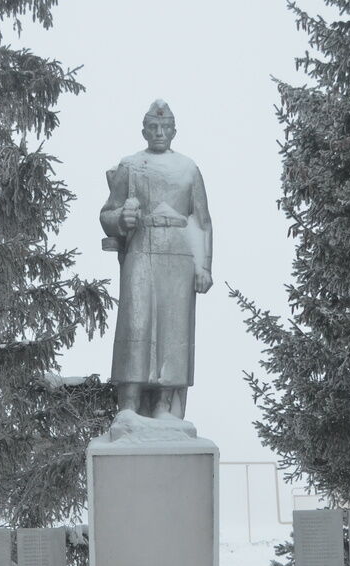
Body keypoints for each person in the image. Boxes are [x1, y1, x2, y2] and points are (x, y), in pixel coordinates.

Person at [99, 99, 213, 420]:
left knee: (174, 326)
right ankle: (130, 403)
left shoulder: (189, 169)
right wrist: (123, 216)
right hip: (142, 247)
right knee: (137, 321)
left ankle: (165, 403)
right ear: (144, 130)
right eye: (153, 127)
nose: (160, 132)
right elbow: (107, 214)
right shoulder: (130, 166)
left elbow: (202, 221)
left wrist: (204, 267)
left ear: (175, 131)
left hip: (179, 252)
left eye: (165, 127)